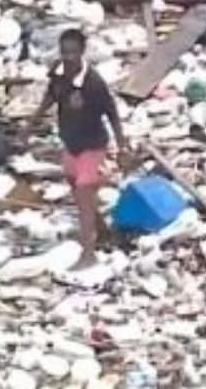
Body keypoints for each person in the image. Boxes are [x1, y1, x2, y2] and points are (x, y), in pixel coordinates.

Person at [25, 29, 131, 270]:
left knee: (84, 191)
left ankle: (88, 254)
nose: (68, 57)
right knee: (80, 195)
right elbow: (50, 98)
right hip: (71, 144)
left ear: (82, 52)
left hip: (93, 146)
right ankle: (103, 233)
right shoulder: (59, 74)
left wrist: (122, 146)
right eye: (65, 52)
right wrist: (29, 127)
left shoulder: (93, 82)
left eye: (73, 52)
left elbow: (111, 113)